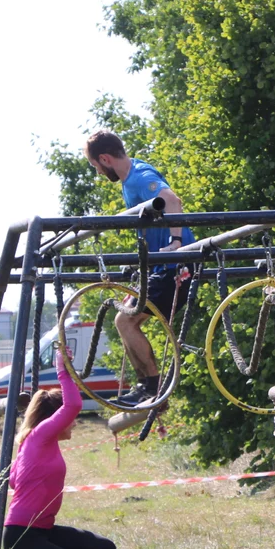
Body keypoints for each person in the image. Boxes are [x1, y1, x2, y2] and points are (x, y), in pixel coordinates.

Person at [84, 129, 196, 406]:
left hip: (175, 266)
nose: (97, 172)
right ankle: (148, 386)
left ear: (105, 158)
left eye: (95, 166)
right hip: (161, 268)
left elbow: (172, 200)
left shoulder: (140, 178)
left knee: (125, 320)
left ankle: (152, 388)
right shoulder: (131, 175)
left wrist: (176, 242)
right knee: (125, 320)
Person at [1, 348, 116, 549]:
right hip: (23, 539)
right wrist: (62, 368)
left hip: (43, 532)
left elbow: (15, 482)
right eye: (70, 420)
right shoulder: (40, 436)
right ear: (54, 419)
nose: (74, 423)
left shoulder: (35, 444)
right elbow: (73, 404)